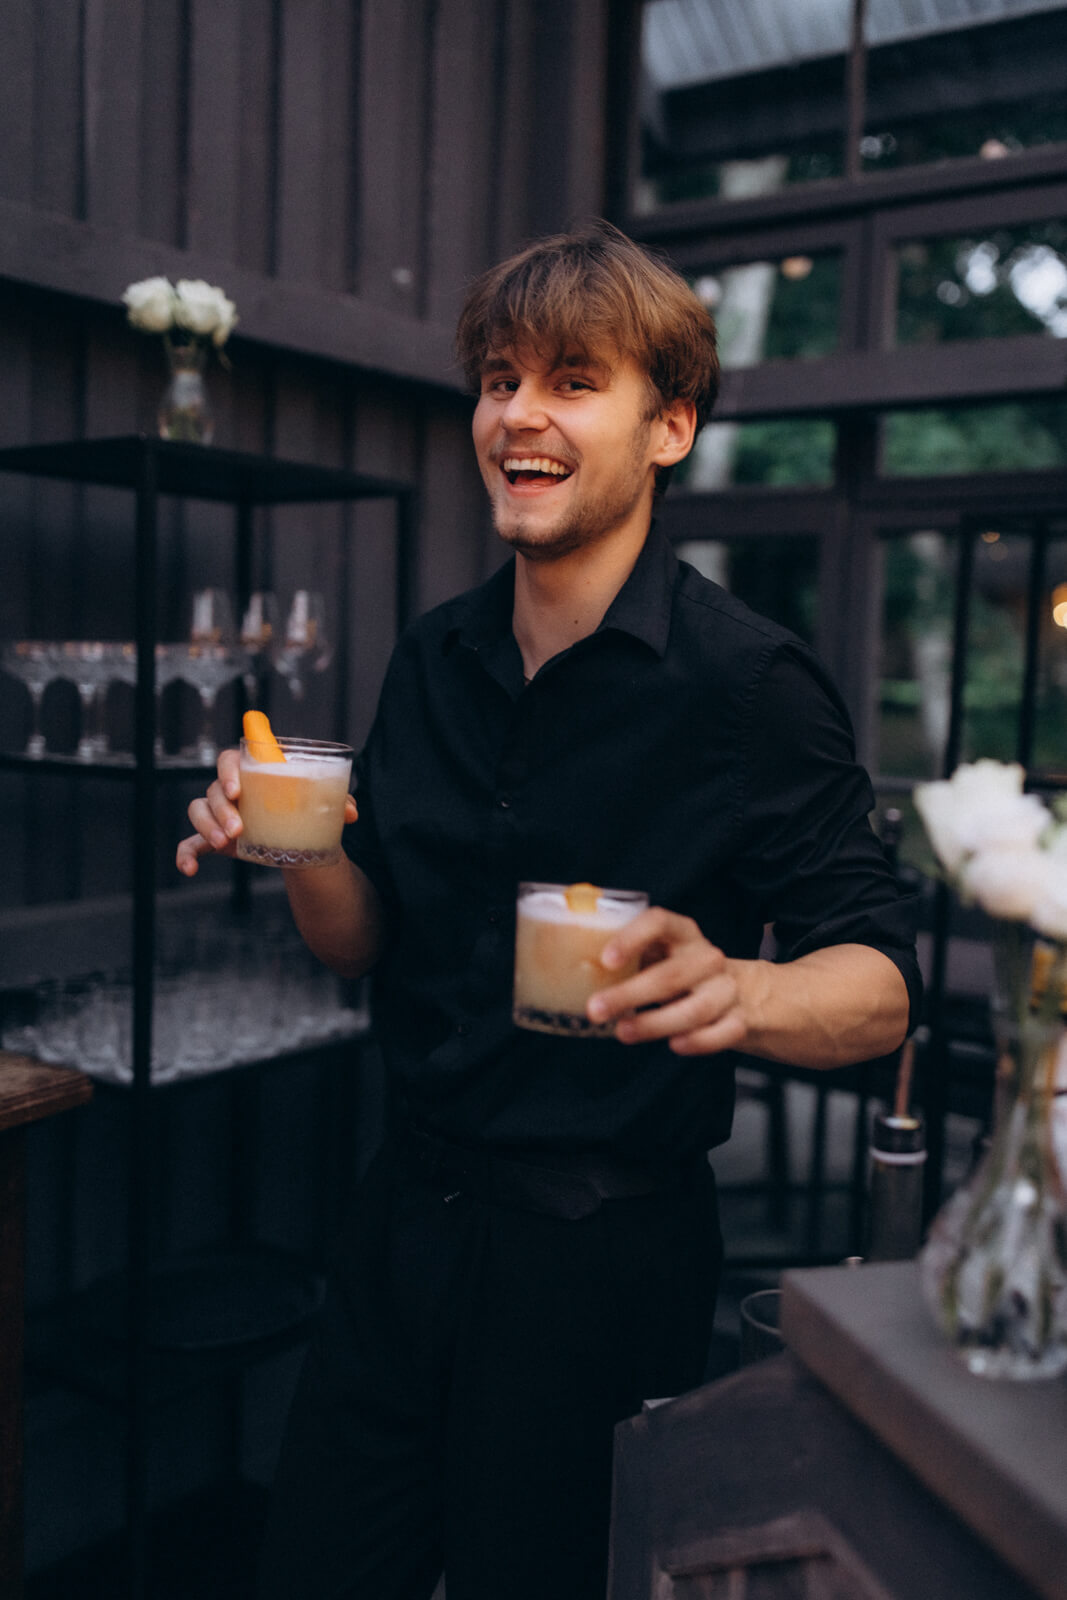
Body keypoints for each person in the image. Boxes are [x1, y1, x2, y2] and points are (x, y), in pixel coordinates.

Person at [177, 219, 920, 1600]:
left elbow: (882, 983)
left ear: (670, 427)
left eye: (575, 381)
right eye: (501, 376)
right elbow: (367, 941)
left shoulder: (747, 687)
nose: (520, 412)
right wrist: (303, 849)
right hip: (402, 1214)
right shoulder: (437, 657)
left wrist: (740, 990)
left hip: (599, 1263)